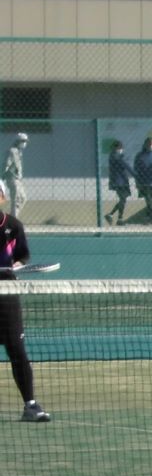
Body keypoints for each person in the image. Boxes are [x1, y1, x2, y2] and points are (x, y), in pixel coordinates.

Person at [1, 199, 50, 422]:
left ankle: (30, 405)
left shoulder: (14, 225)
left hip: (7, 294)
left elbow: (22, 255)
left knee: (17, 350)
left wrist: (17, 265)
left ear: (2, 198)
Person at [106, 139, 133, 226]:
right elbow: (126, 166)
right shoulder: (115, 157)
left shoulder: (116, 157)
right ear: (115, 148)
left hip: (122, 181)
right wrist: (136, 175)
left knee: (123, 199)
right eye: (119, 148)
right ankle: (119, 218)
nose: (121, 150)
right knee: (123, 199)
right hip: (119, 182)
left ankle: (112, 215)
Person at [3, 133, 25, 216]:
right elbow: (6, 164)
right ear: (17, 141)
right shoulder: (12, 151)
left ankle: (12, 216)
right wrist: (2, 175)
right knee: (16, 199)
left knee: (22, 198)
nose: (24, 143)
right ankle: (13, 218)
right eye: (22, 141)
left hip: (18, 179)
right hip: (12, 178)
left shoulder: (19, 152)